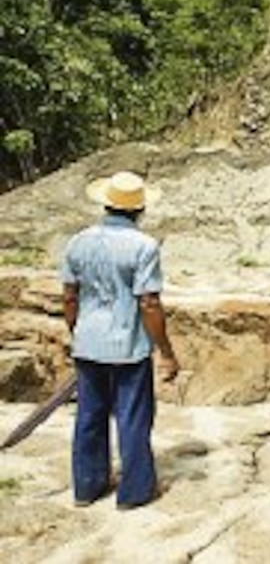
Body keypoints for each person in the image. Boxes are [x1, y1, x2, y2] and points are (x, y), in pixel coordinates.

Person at [60, 170, 180, 509]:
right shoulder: (143, 246)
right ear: (139, 210)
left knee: (89, 416)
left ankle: (87, 486)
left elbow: (70, 296)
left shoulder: (77, 242)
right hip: (128, 346)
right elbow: (149, 303)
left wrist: (78, 333)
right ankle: (135, 491)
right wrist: (166, 352)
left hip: (89, 342)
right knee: (133, 416)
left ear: (106, 205)